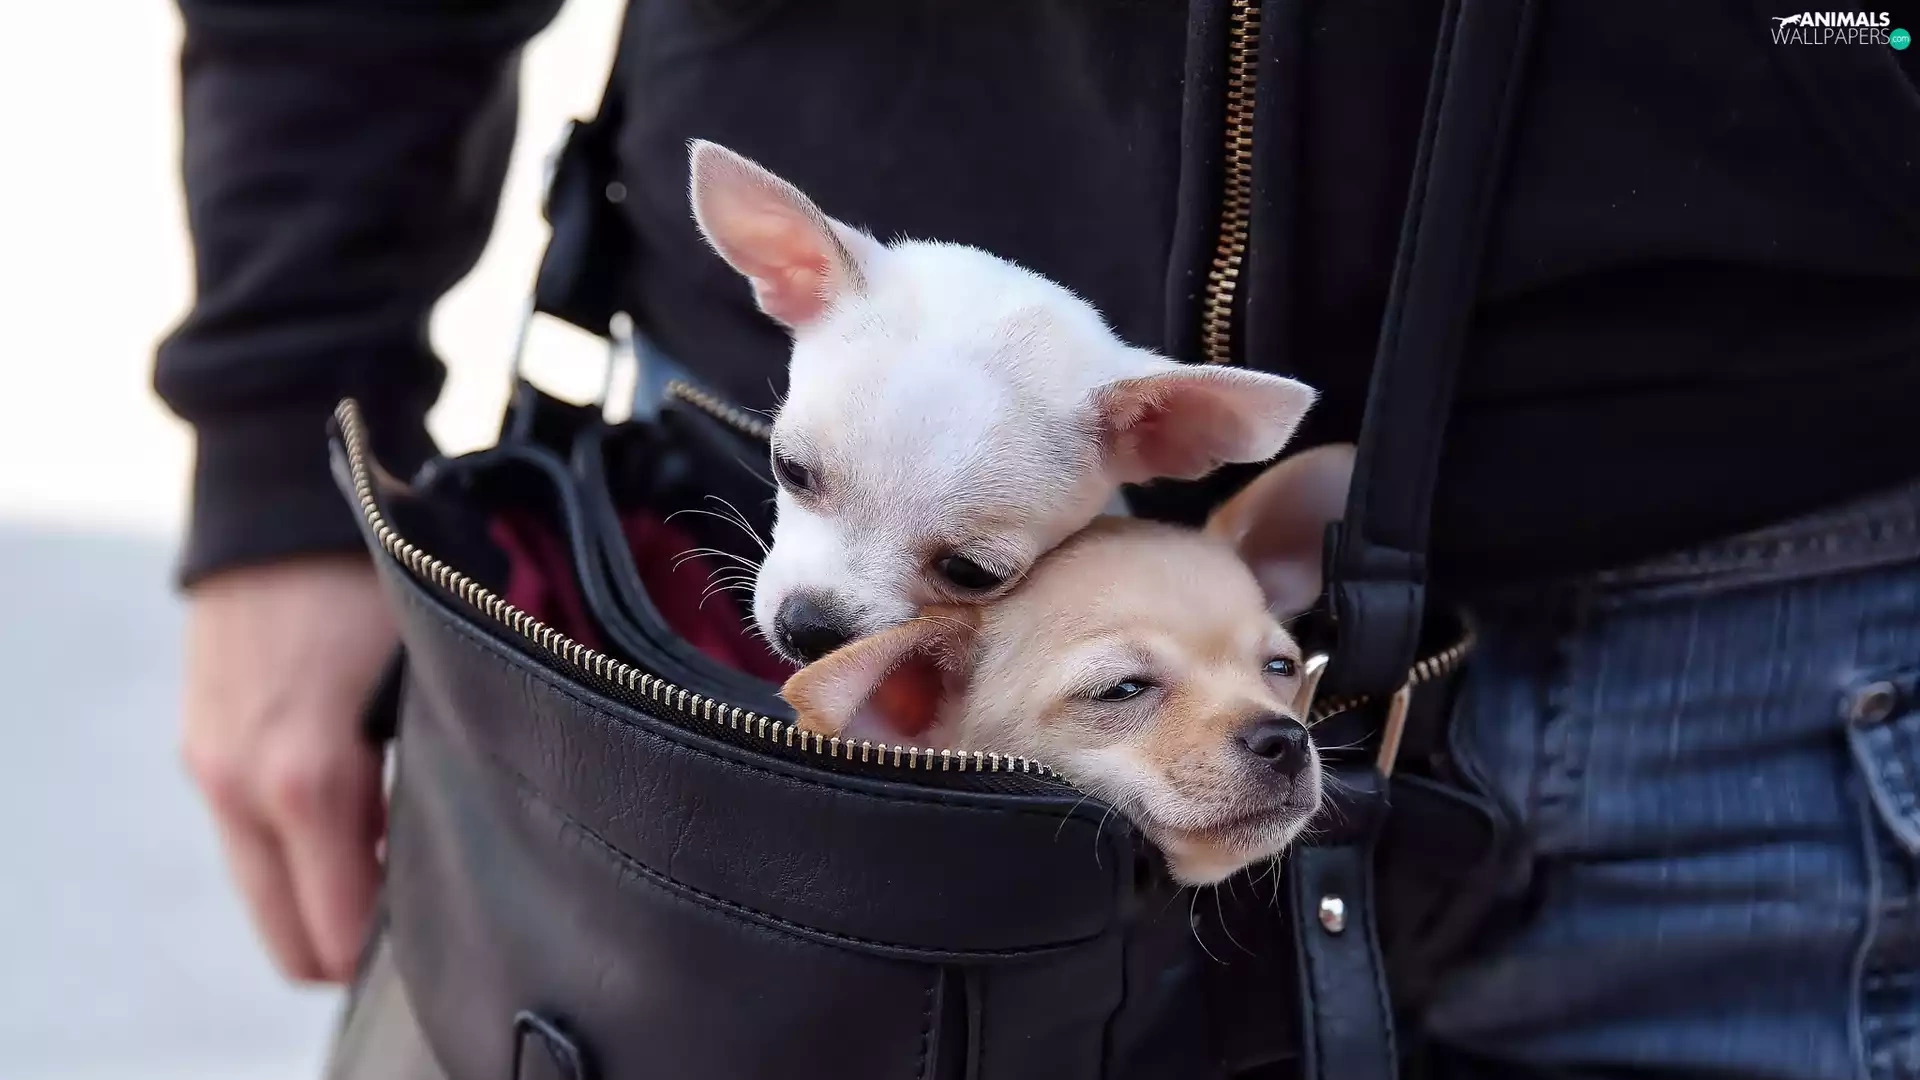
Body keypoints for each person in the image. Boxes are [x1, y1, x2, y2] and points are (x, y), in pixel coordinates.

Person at [157, 2, 1920, 1077]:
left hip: (1770, 585)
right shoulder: (808, 504)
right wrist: (283, 429)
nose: (826, 597)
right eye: (820, 486)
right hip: (720, 590)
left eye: (961, 567)